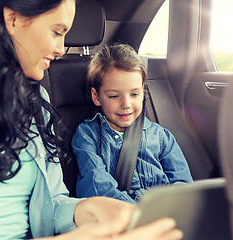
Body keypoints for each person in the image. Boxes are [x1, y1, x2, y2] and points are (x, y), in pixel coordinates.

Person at [0, 0, 184, 239]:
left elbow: (51, 201)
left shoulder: (33, 100)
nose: (61, 48)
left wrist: (90, 210)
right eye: (56, 32)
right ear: (14, 19)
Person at [72, 43, 193, 204]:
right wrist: (137, 214)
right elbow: (96, 186)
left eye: (134, 94)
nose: (126, 104)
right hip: (118, 215)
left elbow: (183, 184)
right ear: (96, 97)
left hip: (164, 213)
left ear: (143, 91)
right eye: (114, 96)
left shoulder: (161, 137)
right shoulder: (88, 135)